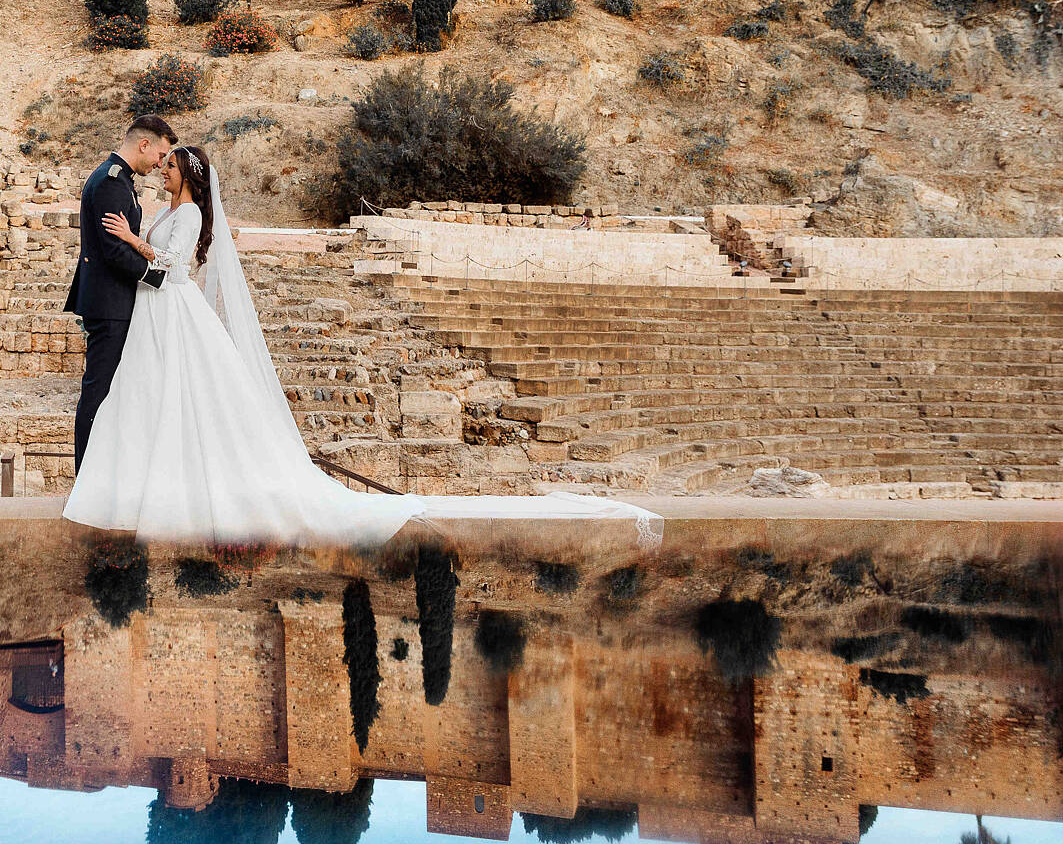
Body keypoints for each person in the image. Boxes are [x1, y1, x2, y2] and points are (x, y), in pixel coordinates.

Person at [62, 145, 661, 549]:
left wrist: (133, 244)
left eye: (169, 168)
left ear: (187, 176)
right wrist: (134, 232)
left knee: (180, 401)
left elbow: (171, 267)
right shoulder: (166, 207)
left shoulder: (189, 214)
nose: (160, 172)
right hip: (154, 316)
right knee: (149, 401)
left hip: (174, 309)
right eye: (161, 165)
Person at [64, 114, 176, 470]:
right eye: (159, 155)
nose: (160, 163)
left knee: (111, 393)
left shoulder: (117, 178)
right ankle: (86, 478)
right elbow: (113, 251)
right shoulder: (112, 182)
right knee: (98, 394)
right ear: (144, 144)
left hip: (113, 300)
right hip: (111, 303)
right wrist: (156, 276)